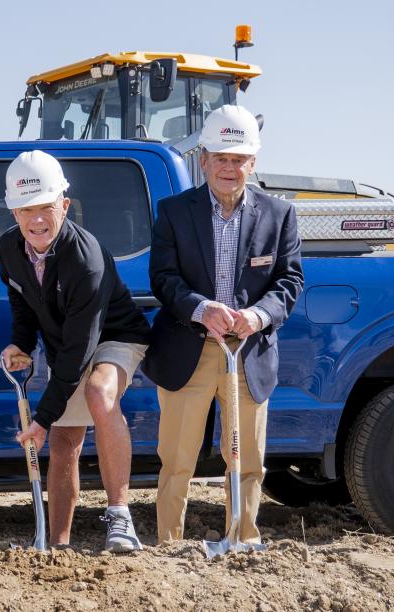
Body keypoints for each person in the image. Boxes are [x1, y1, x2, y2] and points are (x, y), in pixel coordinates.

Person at [144, 105, 304, 545]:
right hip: (187, 350)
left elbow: (289, 281)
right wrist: (200, 308)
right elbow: (163, 278)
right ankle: (168, 547)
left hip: (248, 354)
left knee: (248, 461)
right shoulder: (174, 212)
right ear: (204, 160)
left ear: (253, 162)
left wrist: (257, 315)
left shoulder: (279, 215)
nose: (229, 168)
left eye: (239, 160)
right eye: (221, 158)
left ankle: (242, 542)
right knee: (177, 460)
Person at [0, 151, 151, 552]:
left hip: (115, 336)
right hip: (69, 343)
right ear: (13, 212)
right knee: (65, 440)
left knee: (98, 393)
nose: (36, 220)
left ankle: (120, 517)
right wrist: (22, 343)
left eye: (46, 208)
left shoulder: (87, 259)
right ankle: (57, 545)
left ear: (64, 206)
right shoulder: (10, 250)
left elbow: (81, 349)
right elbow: (22, 303)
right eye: (25, 209)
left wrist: (41, 418)